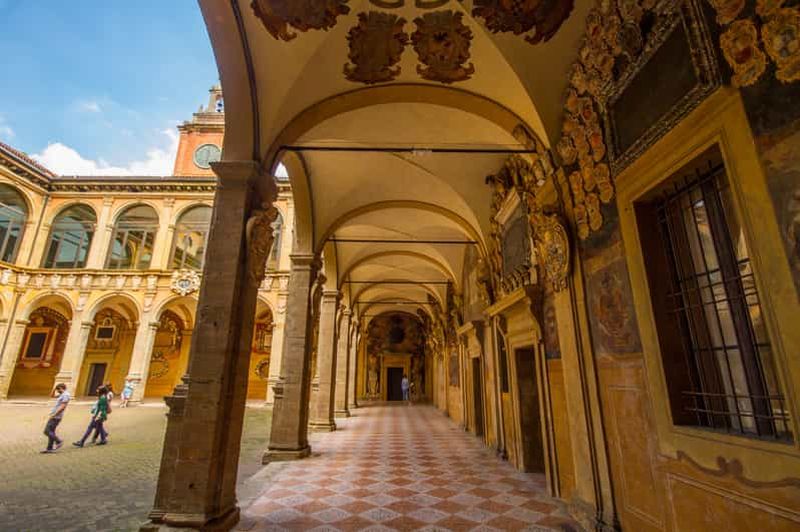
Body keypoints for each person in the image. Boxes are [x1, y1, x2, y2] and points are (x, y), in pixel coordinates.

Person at [42, 383, 70, 454]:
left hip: (56, 416)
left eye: (58, 389)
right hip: (55, 415)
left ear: (61, 388)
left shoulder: (66, 395)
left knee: (46, 431)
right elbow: (52, 396)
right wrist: (54, 389)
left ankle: (58, 441)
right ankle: (49, 448)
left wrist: (54, 415)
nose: (57, 391)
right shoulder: (62, 394)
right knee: (51, 432)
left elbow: (63, 406)